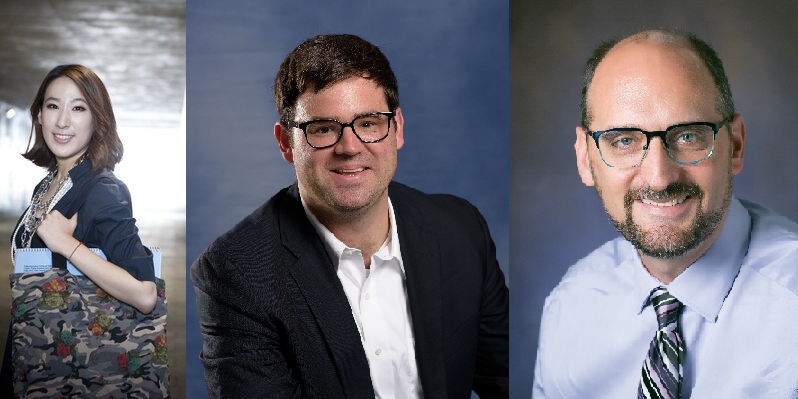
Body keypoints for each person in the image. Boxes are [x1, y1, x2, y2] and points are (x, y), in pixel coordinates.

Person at [191, 34, 509, 398]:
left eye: (369, 123)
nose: (350, 147)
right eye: (323, 129)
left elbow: (507, 378)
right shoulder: (236, 273)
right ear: (285, 143)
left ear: (397, 128)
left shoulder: (460, 229)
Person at [533, 30, 798, 398]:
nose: (659, 178)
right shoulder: (570, 305)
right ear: (584, 158)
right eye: (624, 140)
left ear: (734, 145)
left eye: (688, 136)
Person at [5, 64, 157, 390]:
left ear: (96, 119)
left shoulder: (104, 189)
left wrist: (67, 245)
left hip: (73, 366)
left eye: (78, 108)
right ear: (39, 115)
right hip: (32, 347)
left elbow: (145, 294)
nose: (62, 121)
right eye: (53, 106)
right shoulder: (48, 183)